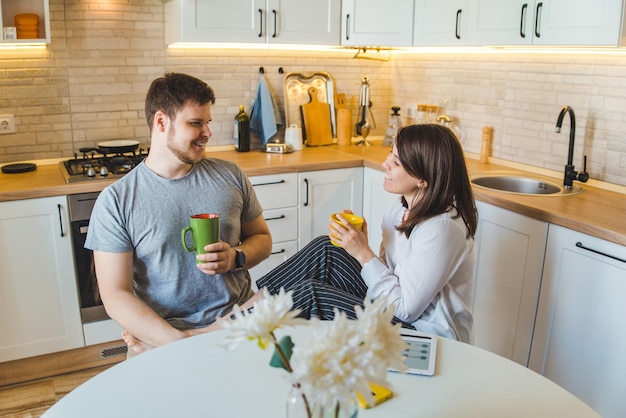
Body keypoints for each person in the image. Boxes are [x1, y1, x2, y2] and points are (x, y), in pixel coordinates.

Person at [85, 73, 272, 355]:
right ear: (161, 122)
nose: (207, 133)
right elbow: (114, 295)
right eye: (196, 123)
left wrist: (236, 257)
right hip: (163, 333)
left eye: (207, 122)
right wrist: (179, 342)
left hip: (239, 320)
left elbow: (262, 238)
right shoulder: (117, 201)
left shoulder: (230, 175)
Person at [252, 123, 478, 342]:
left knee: (311, 294)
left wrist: (363, 253)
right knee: (327, 248)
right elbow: (389, 272)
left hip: (423, 333)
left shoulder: (441, 229)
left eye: (396, 162)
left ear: (422, 179)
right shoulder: (400, 209)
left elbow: (404, 310)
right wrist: (360, 246)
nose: (385, 163)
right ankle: (236, 319)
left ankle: (238, 332)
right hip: (393, 309)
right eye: (391, 154)